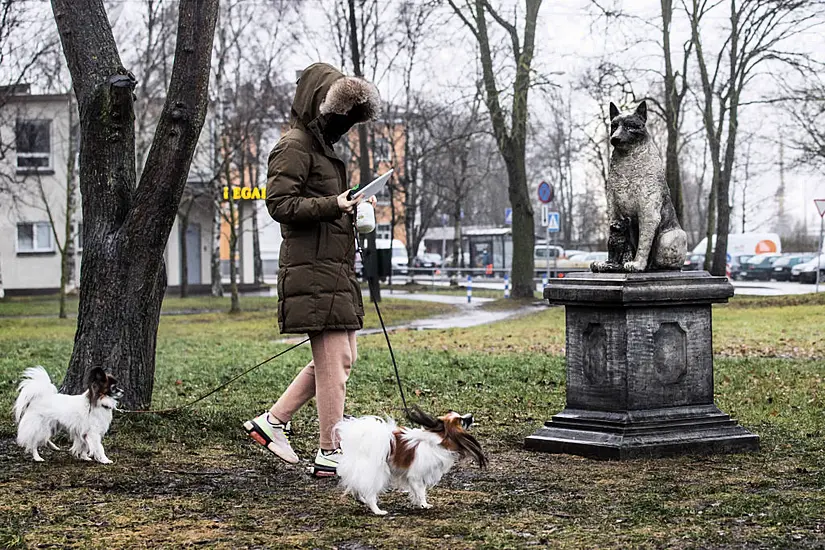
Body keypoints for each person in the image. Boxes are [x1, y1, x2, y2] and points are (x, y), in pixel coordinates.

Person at [243, 63, 380, 476]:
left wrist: (351, 208)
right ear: (318, 104)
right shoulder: (294, 145)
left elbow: (320, 202)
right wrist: (333, 205)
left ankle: (272, 422)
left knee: (341, 359)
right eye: (339, 115)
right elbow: (279, 205)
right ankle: (329, 451)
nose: (344, 125)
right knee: (335, 361)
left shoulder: (321, 149)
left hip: (332, 266)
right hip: (313, 270)